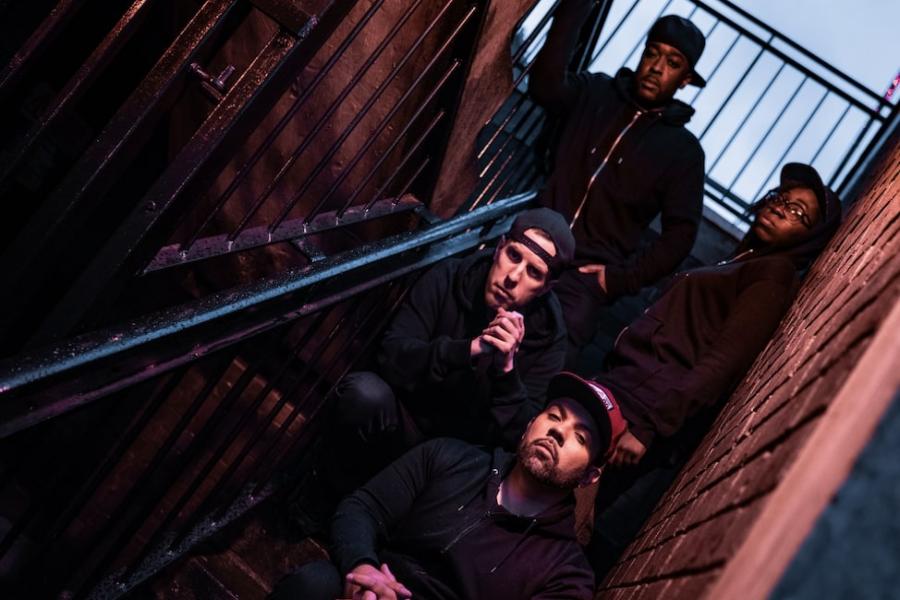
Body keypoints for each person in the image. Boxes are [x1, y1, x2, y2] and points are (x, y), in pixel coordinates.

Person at [585, 163, 843, 574]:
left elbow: (722, 363)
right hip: (627, 386)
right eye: (781, 199)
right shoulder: (743, 260)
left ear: (810, 237)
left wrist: (650, 427)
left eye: (799, 213)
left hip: (641, 410)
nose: (780, 208)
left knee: (567, 507)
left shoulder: (772, 273)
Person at [271, 372, 628, 600]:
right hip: (377, 590)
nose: (557, 432)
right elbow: (362, 508)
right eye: (554, 416)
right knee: (312, 583)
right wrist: (363, 569)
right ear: (529, 425)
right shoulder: (451, 457)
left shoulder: (566, 575)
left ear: (589, 476)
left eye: (579, 437)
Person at [323, 208, 576, 495]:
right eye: (514, 256)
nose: (513, 277)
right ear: (499, 248)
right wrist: (467, 350)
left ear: (546, 288)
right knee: (364, 394)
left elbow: (519, 438)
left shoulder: (549, 339)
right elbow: (391, 356)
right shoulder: (452, 275)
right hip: (405, 420)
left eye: (534, 272)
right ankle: (323, 498)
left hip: (455, 458)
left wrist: (506, 371)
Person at [528, 1, 707, 364]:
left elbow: (680, 235)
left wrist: (619, 279)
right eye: (653, 54)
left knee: (544, 363)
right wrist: (572, 13)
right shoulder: (597, 91)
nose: (657, 68)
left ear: (685, 80)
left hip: (583, 278)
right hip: (532, 241)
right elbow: (546, 88)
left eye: (673, 63)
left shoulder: (683, 152)